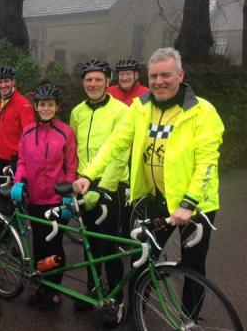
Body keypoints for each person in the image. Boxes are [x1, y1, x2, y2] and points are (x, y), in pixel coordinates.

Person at [73, 47, 224, 322]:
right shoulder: (140, 107)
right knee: (142, 259)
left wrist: (188, 203)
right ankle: (136, 314)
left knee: (192, 265)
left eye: (166, 75)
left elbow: (207, 161)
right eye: (154, 76)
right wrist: (89, 174)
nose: (159, 82)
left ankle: (188, 321)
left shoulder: (203, 111)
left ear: (180, 75)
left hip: (196, 204)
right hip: (155, 199)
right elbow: (116, 143)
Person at [69, 58, 129, 321]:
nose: (93, 84)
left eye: (98, 79)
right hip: (84, 183)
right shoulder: (77, 112)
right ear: (83, 83)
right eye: (88, 80)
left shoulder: (121, 111)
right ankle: (93, 289)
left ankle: (116, 299)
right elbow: (73, 151)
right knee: (89, 241)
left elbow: (121, 154)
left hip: (110, 186)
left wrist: (104, 188)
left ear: (108, 81)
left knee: (109, 245)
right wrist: (76, 180)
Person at [10, 84, 77, 310]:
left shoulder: (65, 132)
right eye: (42, 104)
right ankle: (42, 287)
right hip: (35, 200)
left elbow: (71, 166)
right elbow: (21, 162)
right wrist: (19, 181)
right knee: (39, 245)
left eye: (50, 104)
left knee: (55, 246)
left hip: (57, 200)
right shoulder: (28, 131)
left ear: (57, 107)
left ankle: (54, 289)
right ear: (36, 107)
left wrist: (67, 194)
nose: (46, 108)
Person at [0, 66, 35, 187]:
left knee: (10, 199)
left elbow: (30, 135)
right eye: (0, 82)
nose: (3, 85)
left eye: (6, 81)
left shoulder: (24, 104)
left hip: (12, 159)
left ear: (13, 82)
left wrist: (22, 158)